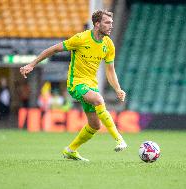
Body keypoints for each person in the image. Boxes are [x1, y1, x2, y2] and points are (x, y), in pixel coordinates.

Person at [20, 10, 127, 161]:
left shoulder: (108, 45)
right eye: (107, 23)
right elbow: (54, 49)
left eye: (112, 23)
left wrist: (117, 88)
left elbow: (110, 70)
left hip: (91, 84)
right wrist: (32, 64)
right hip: (75, 83)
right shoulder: (81, 38)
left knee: (95, 126)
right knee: (98, 99)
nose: (111, 26)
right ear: (97, 24)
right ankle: (119, 139)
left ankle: (71, 150)